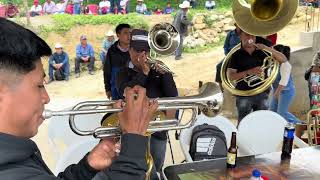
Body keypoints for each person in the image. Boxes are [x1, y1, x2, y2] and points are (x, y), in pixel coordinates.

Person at [0, 17, 158, 180]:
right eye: (39, 85)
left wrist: (86, 168)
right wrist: (134, 141)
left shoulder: (16, 157)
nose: (46, 98)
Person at [116, 29, 178, 178]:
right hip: (133, 130)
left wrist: (166, 74)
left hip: (157, 130)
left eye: (145, 51)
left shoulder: (158, 69)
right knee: (134, 168)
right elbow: (128, 92)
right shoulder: (123, 72)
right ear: (130, 50)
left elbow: (173, 97)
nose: (141, 55)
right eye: (137, 50)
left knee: (156, 168)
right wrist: (143, 73)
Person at [227, 30, 287, 126]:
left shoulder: (263, 52)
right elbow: (230, 77)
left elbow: (284, 60)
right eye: (247, 35)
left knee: (262, 122)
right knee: (243, 123)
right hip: (244, 94)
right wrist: (248, 72)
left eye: (253, 35)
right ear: (240, 37)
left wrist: (267, 48)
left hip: (263, 93)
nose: (250, 38)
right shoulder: (235, 55)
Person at [269, 44, 302, 124]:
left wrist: (277, 93)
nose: (271, 54)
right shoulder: (274, 64)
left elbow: (284, 81)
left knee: (282, 113)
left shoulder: (285, 65)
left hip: (286, 92)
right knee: (272, 111)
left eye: (274, 52)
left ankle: (301, 124)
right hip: (277, 91)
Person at [103, 24, 131, 100]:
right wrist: (108, 89)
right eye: (125, 33)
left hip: (133, 89)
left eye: (130, 33)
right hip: (116, 90)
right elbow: (107, 71)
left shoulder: (135, 49)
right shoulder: (112, 51)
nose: (129, 36)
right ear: (118, 35)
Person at [215, 23, 241, 91]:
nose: (240, 26)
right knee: (219, 66)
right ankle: (221, 87)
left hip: (241, 56)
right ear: (236, 25)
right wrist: (228, 55)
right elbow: (225, 46)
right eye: (239, 25)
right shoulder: (230, 34)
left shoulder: (245, 34)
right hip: (230, 56)